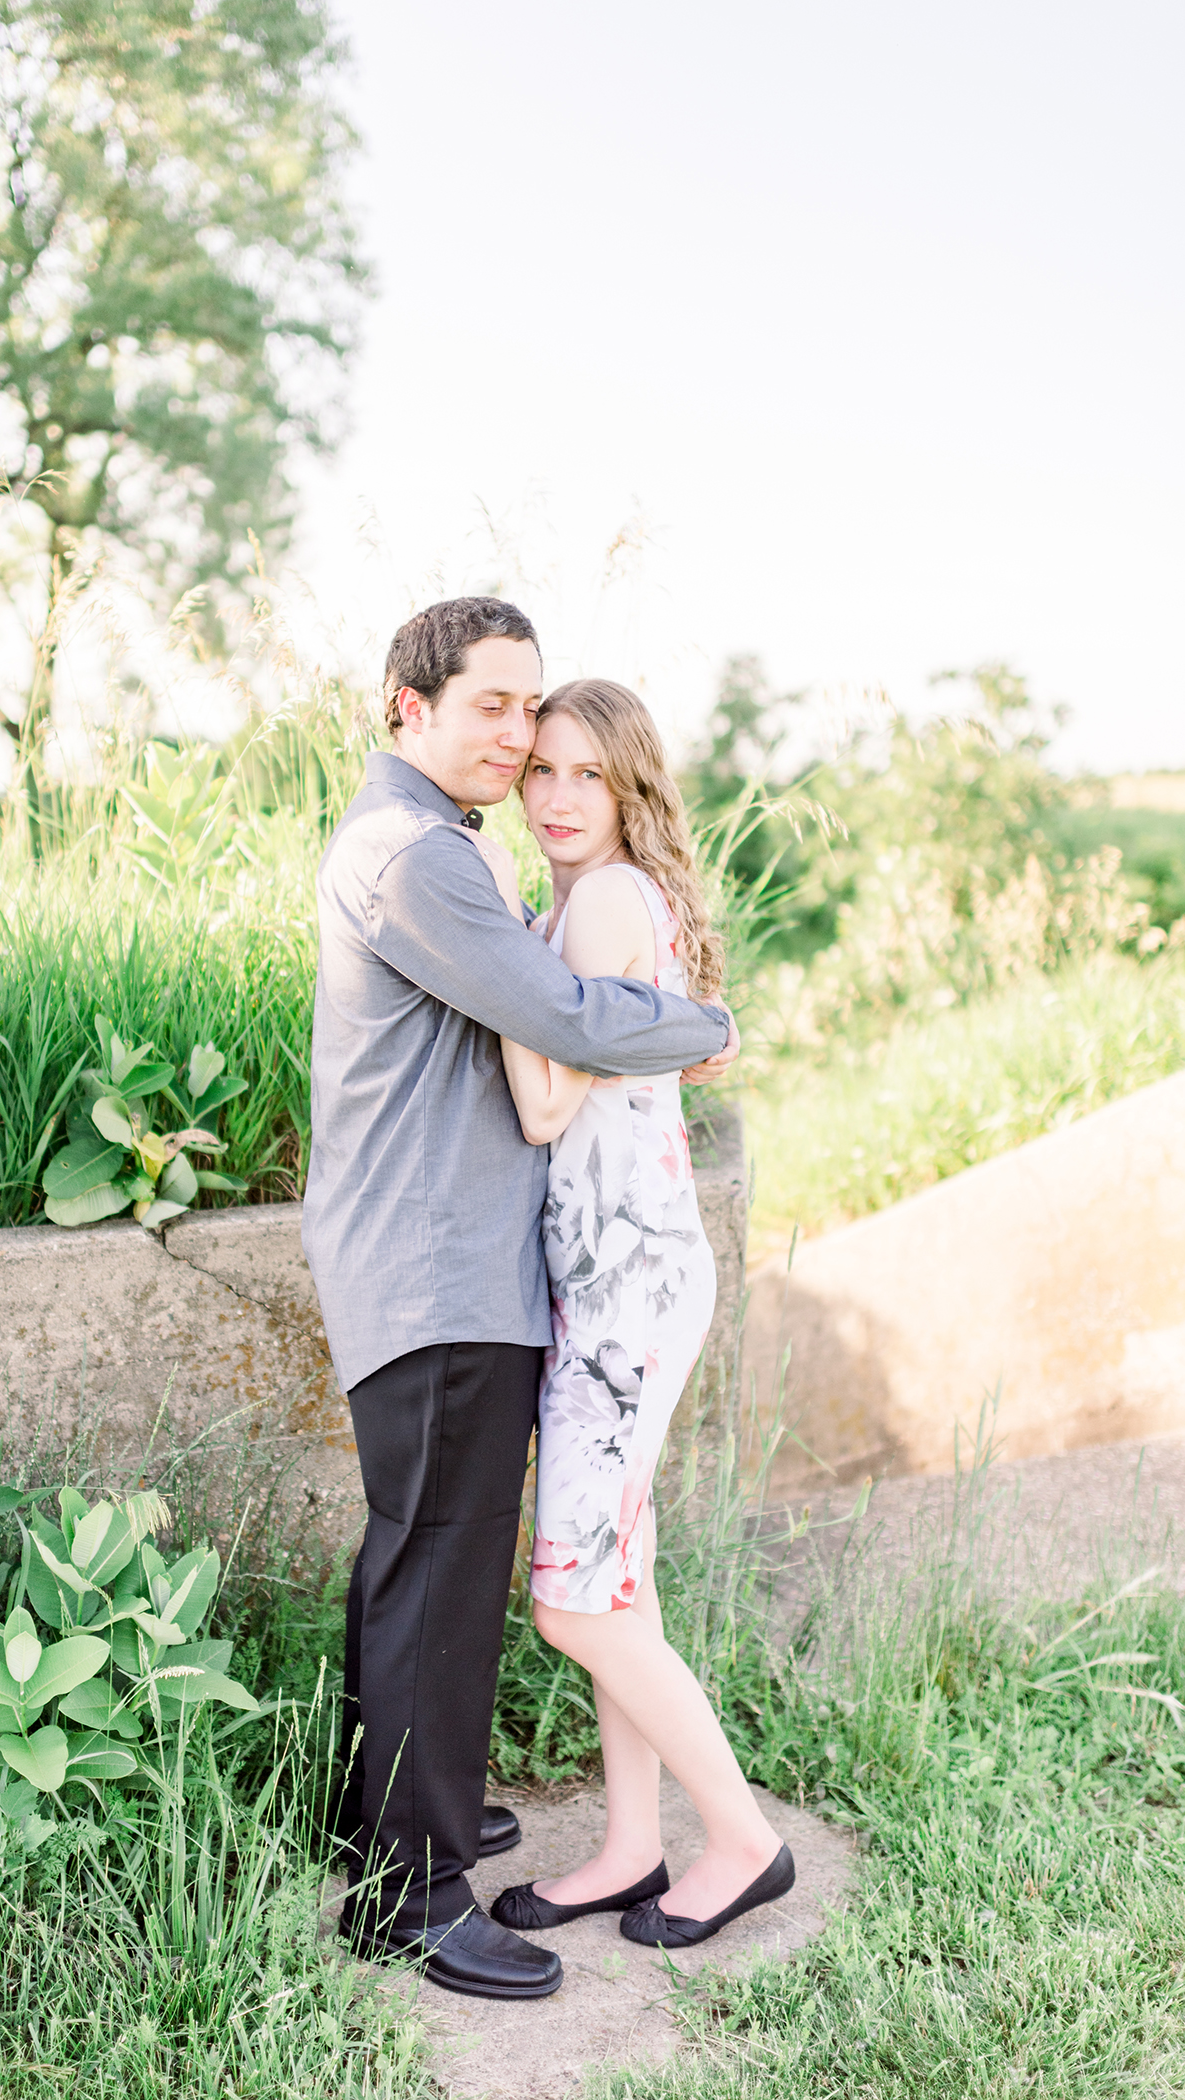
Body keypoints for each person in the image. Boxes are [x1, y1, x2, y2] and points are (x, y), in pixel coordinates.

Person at [302, 599, 738, 2000]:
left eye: (527, 708)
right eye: (490, 706)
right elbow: (551, 1017)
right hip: (438, 1278)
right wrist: (703, 1025)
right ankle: (412, 1895)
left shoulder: (446, 852)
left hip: (453, 1276)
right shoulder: (415, 857)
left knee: (420, 1556)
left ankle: (394, 1821)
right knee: (436, 1565)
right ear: (404, 708)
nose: (512, 734)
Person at [483, 679, 794, 1950]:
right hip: (620, 1280)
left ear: (629, 790)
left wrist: (495, 964)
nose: (556, 798)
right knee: (620, 1587)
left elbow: (547, 1108)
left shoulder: (602, 901)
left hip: (628, 1295)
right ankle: (626, 1845)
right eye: (539, 772)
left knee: (573, 1606)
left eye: (586, 778)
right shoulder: (592, 897)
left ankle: (743, 1840)